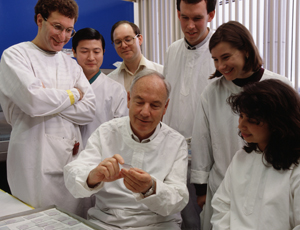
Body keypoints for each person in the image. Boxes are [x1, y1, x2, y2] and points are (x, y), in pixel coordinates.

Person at [190, 21, 292, 230]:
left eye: (226, 57)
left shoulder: (279, 87)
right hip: (223, 186)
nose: (220, 66)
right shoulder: (212, 93)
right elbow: (201, 141)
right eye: (215, 60)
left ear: (246, 50)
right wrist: (201, 190)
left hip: (272, 184)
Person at [0, 0, 96, 217]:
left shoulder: (71, 64)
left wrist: (48, 99)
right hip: (32, 161)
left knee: (72, 219)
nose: (62, 37)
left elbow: (89, 109)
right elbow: (34, 102)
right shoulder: (15, 56)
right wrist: (73, 94)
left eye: (69, 30)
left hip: (71, 163)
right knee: (36, 219)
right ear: (39, 20)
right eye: (57, 27)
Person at [64, 69, 189, 230]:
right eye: (139, 102)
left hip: (158, 223)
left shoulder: (176, 143)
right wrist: (92, 175)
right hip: (107, 221)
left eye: (155, 105)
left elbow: (178, 199)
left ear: (165, 107)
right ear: (129, 99)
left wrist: (150, 188)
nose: (145, 112)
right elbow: (72, 174)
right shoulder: (106, 132)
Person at [211, 79, 300, 229]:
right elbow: (221, 207)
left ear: (278, 123)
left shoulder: (296, 167)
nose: (241, 125)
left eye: (252, 120)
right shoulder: (241, 158)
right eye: (241, 116)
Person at [162, 0, 216, 229]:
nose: (190, 26)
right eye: (185, 17)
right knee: (177, 218)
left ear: (211, 15)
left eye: (197, 18)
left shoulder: (220, 52)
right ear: (177, 13)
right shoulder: (173, 50)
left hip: (210, 157)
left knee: (206, 220)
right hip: (173, 154)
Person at [72, 27, 128, 147]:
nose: (91, 57)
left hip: (100, 158)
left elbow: (122, 133)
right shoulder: (65, 85)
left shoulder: (116, 91)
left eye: (96, 52)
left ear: (103, 52)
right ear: (74, 52)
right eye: (84, 51)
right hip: (65, 157)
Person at [108, 20, 163, 92]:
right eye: (118, 42)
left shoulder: (162, 72)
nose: (124, 45)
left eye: (128, 39)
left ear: (140, 39)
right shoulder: (110, 80)